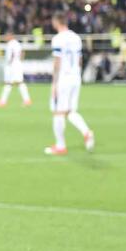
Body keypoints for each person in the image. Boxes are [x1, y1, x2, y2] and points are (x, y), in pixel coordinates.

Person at [45, 11, 95, 155]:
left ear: (56, 22)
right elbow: (79, 60)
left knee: (58, 112)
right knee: (70, 111)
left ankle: (60, 146)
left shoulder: (58, 39)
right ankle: (86, 132)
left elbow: (57, 62)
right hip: (75, 77)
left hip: (64, 78)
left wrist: (54, 83)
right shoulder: (76, 38)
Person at [0, 33, 31, 107]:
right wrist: (19, 61)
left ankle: (3, 101)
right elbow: (22, 53)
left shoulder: (11, 44)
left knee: (10, 83)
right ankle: (27, 100)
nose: (5, 38)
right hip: (17, 64)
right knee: (17, 83)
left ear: (10, 36)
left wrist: (10, 63)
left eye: (6, 36)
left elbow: (11, 55)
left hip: (12, 65)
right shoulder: (17, 44)